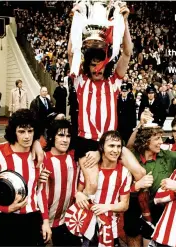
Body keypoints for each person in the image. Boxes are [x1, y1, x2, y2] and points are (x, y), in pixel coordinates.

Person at [68, 2, 144, 197]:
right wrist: (75, 21)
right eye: (93, 65)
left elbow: (127, 53)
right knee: (92, 185)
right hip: (87, 142)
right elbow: (72, 53)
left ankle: (120, 203)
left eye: (100, 65)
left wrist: (125, 22)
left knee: (141, 173)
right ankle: (84, 223)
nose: (96, 69)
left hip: (111, 140)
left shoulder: (113, 82)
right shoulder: (81, 82)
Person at [0, 109, 51, 246]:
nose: (27, 136)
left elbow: (41, 191)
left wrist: (45, 221)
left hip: (33, 219)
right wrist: (5, 209)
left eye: (30, 131)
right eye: (21, 131)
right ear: (13, 132)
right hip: (6, 221)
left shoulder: (39, 156)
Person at [124, 126, 176, 247]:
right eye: (157, 138)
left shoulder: (169, 157)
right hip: (133, 205)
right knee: (132, 232)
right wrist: (136, 186)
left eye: (161, 138)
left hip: (158, 208)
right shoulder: (131, 157)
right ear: (145, 141)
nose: (161, 142)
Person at [73, 131, 131, 246]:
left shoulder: (124, 172)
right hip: (88, 227)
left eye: (118, 146)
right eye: (111, 146)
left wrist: (106, 207)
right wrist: (78, 194)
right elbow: (79, 193)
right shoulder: (91, 167)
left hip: (111, 228)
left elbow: (124, 204)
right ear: (101, 147)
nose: (115, 150)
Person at [42, 119, 83, 246]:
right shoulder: (42, 158)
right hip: (44, 219)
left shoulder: (75, 157)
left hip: (67, 220)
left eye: (68, 136)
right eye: (60, 135)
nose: (65, 140)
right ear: (51, 137)